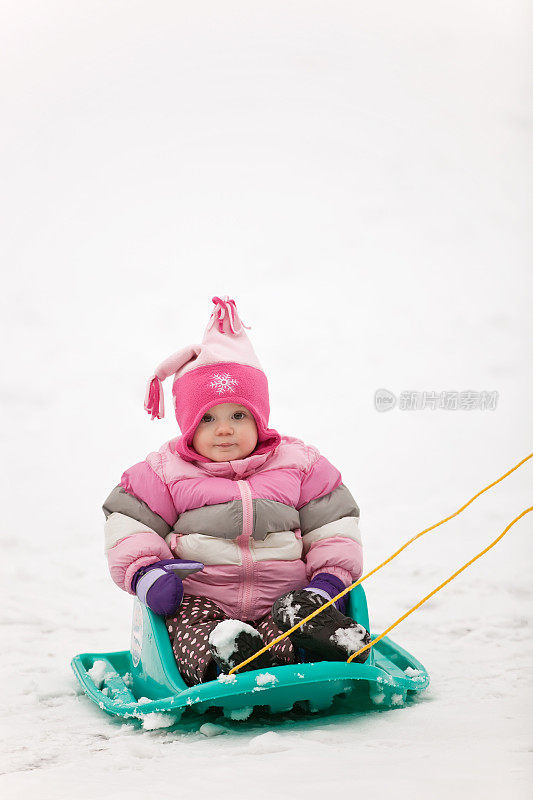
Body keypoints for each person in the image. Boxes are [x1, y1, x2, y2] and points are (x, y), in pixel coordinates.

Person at [103, 296, 370, 686]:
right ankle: (228, 658)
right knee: (187, 627)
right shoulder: (164, 471)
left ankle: (321, 645)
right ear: (186, 422)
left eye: (238, 415)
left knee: (294, 617)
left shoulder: (299, 463)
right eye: (207, 418)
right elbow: (129, 523)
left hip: (284, 598)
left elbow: (334, 525)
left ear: (260, 417)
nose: (224, 429)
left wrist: (328, 581)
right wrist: (146, 574)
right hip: (201, 600)